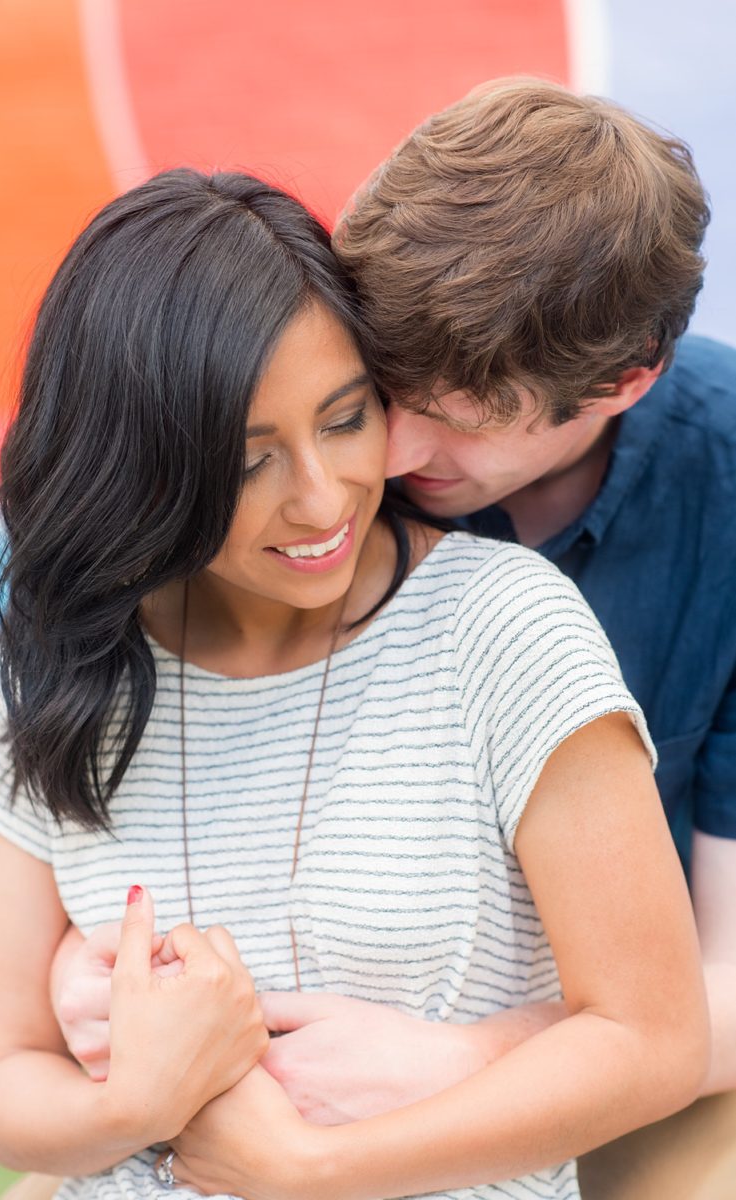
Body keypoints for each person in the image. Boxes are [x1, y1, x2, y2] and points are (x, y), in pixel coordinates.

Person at [0, 168, 708, 1200]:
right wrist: (135, 1105)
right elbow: (6, 1083)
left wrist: (313, 1170)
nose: (321, 497)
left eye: (346, 421)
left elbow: (649, 1036)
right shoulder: (56, 673)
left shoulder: (503, 629)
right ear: (142, 468)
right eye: (249, 461)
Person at [332, 77, 736, 1193]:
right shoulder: (292, 409)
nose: (387, 448)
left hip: (628, 1064)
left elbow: (730, 976)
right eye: (375, 388)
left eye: (456, 419)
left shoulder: (725, 482)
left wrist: (457, 1066)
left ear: (623, 383)